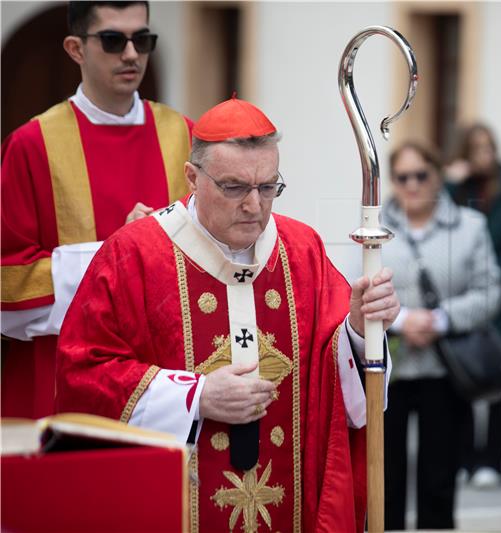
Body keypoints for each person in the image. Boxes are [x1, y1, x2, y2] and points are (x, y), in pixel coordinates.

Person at [55, 97, 400, 532]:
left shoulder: (302, 250)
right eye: (234, 187)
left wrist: (360, 328)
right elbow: (82, 375)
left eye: (268, 187)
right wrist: (195, 397)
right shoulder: (135, 254)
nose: (254, 206)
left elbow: (342, 396)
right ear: (192, 177)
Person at [1, 1, 192, 418]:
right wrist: (118, 252)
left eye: (142, 40)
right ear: (75, 48)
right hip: (58, 378)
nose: (130, 54)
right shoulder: (32, 144)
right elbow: (7, 283)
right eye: (112, 40)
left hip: (163, 380)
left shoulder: (183, 135)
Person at [382, 141, 501, 529]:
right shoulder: (373, 227)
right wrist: (401, 321)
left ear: (438, 176)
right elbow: (353, 288)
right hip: (387, 370)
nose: (412, 185)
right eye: (403, 177)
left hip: (446, 368)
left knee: (439, 477)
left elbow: (489, 292)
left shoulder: (470, 226)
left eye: (421, 175)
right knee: (385, 479)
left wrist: (439, 320)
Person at [446, 123, 501, 488]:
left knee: (497, 383)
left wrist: (495, 285)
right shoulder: (457, 190)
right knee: (462, 378)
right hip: (462, 299)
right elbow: (440, 229)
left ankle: (493, 462)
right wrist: (451, 183)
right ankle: (465, 457)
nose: (486, 154)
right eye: (477, 148)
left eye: (489, 147)